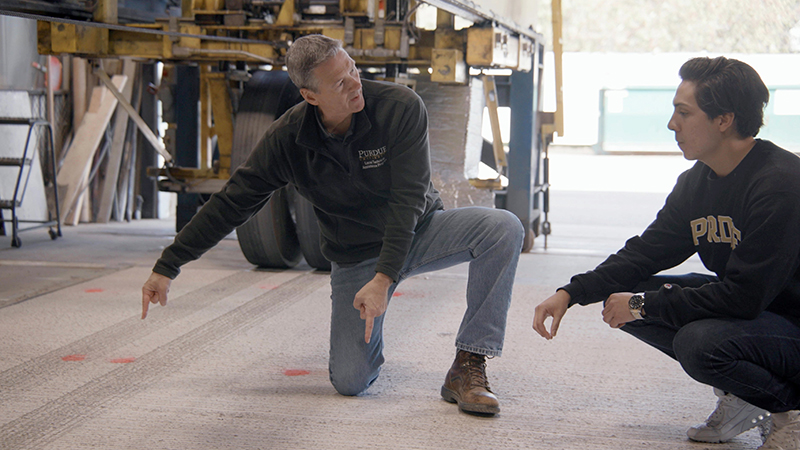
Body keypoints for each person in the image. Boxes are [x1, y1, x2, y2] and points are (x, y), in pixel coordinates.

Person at [141, 34, 524, 415]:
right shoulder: (288, 140)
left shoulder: (399, 107)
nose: (355, 83)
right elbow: (231, 203)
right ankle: (366, 347)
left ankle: (469, 363)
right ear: (310, 96)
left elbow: (407, 200)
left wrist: (384, 278)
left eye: (353, 69)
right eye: (340, 83)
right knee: (350, 381)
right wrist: (168, 264)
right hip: (355, 256)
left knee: (503, 228)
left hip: (419, 231)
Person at [532, 56, 800, 449]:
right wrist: (571, 293)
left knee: (700, 342)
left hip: (789, 321)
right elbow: (645, 252)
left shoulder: (780, 184)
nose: (672, 124)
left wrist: (643, 305)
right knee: (625, 293)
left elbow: (744, 297)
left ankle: (789, 410)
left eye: (683, 112)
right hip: (763, 315)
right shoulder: (697, 182)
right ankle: (745, 397)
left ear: (723, 119)